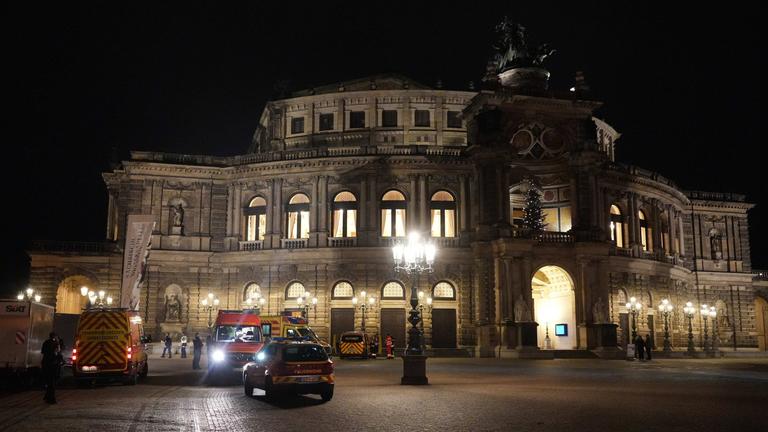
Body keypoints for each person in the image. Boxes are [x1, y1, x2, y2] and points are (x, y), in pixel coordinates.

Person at [41, 332, 59, 404]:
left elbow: (43, 351)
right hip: (52, 364)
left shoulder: (45, 342)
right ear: (54, 337)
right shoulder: (55, 343)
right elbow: (57, 353)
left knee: (48, 381)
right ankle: (51, 399)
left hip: (45, 364)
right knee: (52, 382)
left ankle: (47, 396)